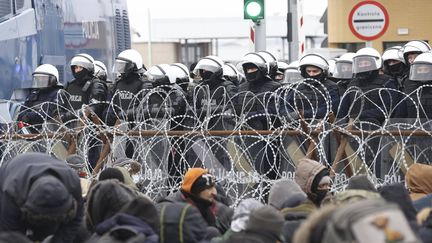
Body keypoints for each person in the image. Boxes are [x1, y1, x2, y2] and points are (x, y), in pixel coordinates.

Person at [0, 153, 83, 242]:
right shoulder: (11, 192)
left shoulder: (72, 183)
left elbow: (76, 220)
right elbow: (10, 235)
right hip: (10, 174)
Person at [236, 51, 282, 180]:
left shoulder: (275, 87)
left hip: (268, 136)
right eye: (248, 69)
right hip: (245, 136)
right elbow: (234, 107)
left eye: (253, 68)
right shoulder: (241, 87)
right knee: (247, 174)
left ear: (261, 69)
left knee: (269, 173)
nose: (250, 71)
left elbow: (275, 111)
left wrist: (253, 115)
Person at [187, 56, 237, 172]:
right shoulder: (199, 88)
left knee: (223, 161)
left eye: (206, 71)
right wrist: (205, 111)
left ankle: (224, 185)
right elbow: (191, 109)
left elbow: (233, 107)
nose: (204, 73)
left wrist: (210, 110)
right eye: (202, 71)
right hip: (203, 131)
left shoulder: (227, 87)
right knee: (203, 161)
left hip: (222, 131)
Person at [162, 168, 231, 233]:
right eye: (209, 188)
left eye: (213, 187)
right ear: (196, 191)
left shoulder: (218, 206)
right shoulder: (170, 208)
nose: (214, 192)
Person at [17, 64, 66, 133]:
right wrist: (24, 118)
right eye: (38, 78)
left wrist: (29, 116)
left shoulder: (58, 93)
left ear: (52, 80)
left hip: (49, 133)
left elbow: (52, 114)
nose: (40, 81)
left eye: (43, 79)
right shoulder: (34, 93)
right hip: (29, 131)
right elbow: (22, 112)